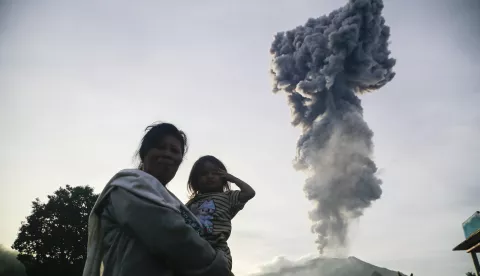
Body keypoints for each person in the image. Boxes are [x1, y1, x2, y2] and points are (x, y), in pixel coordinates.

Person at [82, 123, 231, 276]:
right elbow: (172, 235)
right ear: (144, 153)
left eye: (174, 150)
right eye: (160, 147)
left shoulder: (172, 202)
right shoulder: (127, 187)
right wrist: (219, 264)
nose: (167, 154)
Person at [186, 155, 256, 272]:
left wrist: (232, 178)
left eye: (215, 173)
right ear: (195, 180)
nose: (210, 176)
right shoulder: (191, 203)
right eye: (204, 174)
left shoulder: (227, 197)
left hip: (217, 250)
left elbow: (249, 192)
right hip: (194, 247)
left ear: (223, 178)